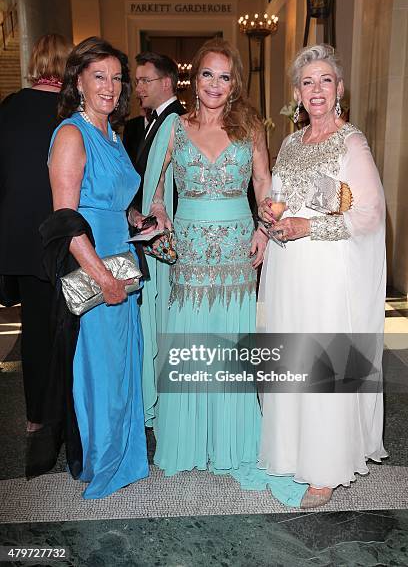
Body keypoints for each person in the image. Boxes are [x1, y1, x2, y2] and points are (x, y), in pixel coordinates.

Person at [134, 38, 308, 507]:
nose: (214, 84)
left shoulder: (250, 126)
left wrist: (263, 230)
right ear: (196, 80)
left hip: (235, 250)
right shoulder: (174, 126)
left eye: (224, 76)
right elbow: (153, 192)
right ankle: (188, 440)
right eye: (207, 74)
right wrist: (160, 216)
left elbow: (265, 186)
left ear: (235, 84)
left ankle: (233, 441)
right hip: (189, 251)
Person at [258, 44, 387, 508]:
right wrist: (269, 218)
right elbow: (277, 196)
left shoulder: (352, 143)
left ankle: (327, 466)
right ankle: (295, 449)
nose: (317, 90)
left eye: (325, 80)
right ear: (297, 92)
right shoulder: (290, 143)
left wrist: (308, 224)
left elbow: (369, 213)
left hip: (329, 271)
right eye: (308, 82)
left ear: (340, 90)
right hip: (289, 266)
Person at [47, 36, 149, 499]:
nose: (110, 86)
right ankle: (101, 461)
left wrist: (140, 220)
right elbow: (66, 221)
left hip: (122, 264)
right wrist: (103, 278)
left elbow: (111, 201)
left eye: (116, 77)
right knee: (99, 369)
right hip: (96, 270)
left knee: (122, 367)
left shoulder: (112, 133)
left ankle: (124, 456)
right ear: (78, 82)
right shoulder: (72, 133)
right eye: (99, 77)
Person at [0, 33, 71, 462]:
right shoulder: (71, 115)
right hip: (61, 235)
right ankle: (65, 409)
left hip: (19, 236)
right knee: (66, 325)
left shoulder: (8, 108)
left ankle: (34, 416)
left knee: (33, 329)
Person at [123, 51, 185, 214]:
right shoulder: (156, 118)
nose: (138, 89)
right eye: (137, 82)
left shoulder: (179, 120)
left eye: (145, 81)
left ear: (166, 83)